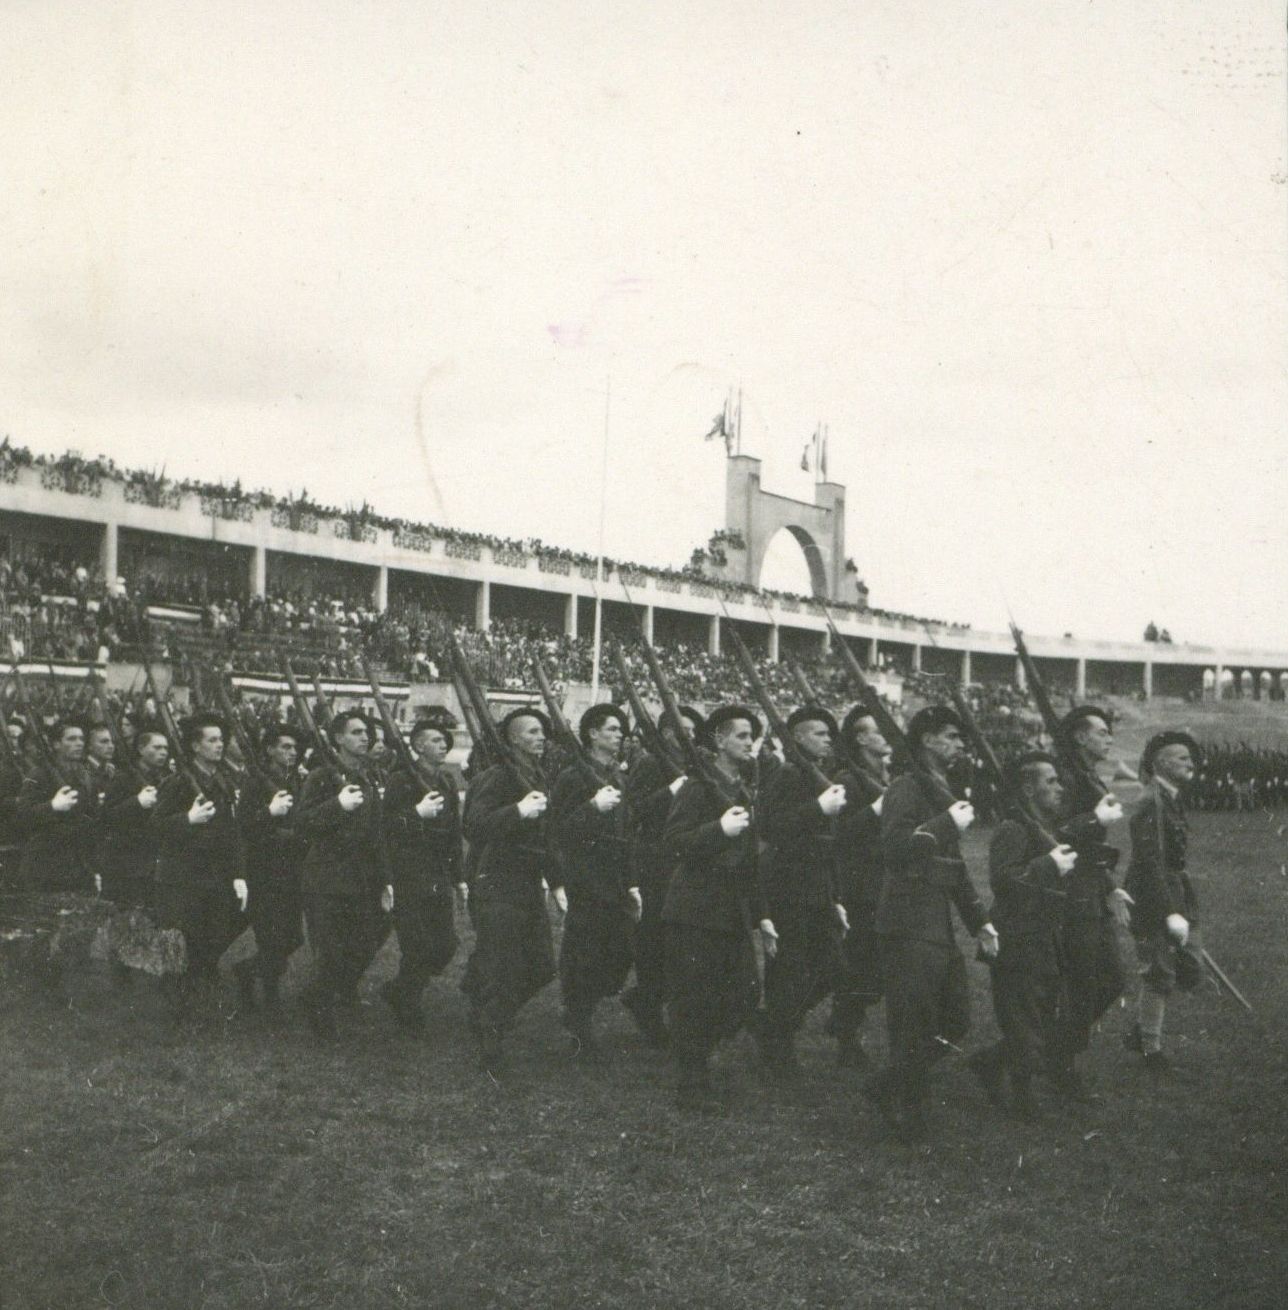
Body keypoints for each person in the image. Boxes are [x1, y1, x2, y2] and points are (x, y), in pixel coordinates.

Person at [865, 705, 998, 1143]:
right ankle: (910, 1110)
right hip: (906, 920)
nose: (960, 744)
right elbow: (893, 848)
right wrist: (945, 823)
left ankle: (888, 1087)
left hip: (933, 921)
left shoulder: (942, 786)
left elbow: (952, 863)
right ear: (926, 740)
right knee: (914, 1022)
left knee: (955, 1019)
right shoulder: (906, 786)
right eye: (951, 736)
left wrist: (978, 919)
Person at [662, 705, 778, 1112]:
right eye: (742, 735)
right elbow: (674, 842)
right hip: (695, 908)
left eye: (752, 737)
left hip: (731, 910)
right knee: (696, 999)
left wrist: (762, 914)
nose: (750, 743)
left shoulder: (741, 789)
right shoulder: (698, 786)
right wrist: (718, 830)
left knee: (744, 994)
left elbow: (750, 861)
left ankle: (706, 1063)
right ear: (719, 740)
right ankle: (691, 1083)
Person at [968, 752, 1077, 1119]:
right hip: (1018, 938)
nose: (1059, 788)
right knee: (1024, 1017)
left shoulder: (1043, 827)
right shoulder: (1014, 828)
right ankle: (1023, 1096)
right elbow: (1003, 879)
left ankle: (990, 1064)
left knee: (1042, 1014)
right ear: (1028, 789)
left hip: (1043, 935)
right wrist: (1048, 864)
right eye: (1051, 782)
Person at [755, 705, 850, 1076]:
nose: (827, 739)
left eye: (828, 734)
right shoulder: (787, 775)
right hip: (789, 884)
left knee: (833, 968)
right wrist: (816, 808)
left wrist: (835, 896)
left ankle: (775, 1024)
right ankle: (779, 1043)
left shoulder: (819, 774)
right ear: (796, 737)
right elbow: (769, 825)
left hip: (818, 885)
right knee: (789, 969)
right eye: (818, 733)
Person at [460, 707, 555, 1073]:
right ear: (513, 739)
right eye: (532, 732)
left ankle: (481, 999)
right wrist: (517, 811)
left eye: (542, 732)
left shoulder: (538, 776)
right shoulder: (497, 777)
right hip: (495, 880)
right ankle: (491, 1041)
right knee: (505, 968)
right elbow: (474, 826)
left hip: (527, 882)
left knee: (542, 967)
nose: (541, 737)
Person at [295, 711, 394, 1041]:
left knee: (364, 942)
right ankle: (321, 1014)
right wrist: (337, 805)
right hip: (326, 878)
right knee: (331, 951)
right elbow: (304, 823)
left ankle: (322, 994)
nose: (365, 738)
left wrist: (385, 879)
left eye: (367, 732)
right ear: (338, 739)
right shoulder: (321, 777)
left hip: (362, 879)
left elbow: (377, 834)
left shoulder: (369, 778)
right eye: (355, 732)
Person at [550, 703, 640, 1057]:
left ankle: (580, 1007)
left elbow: (629, 832)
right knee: (584, 953)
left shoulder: (619, 778)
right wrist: (591, 809)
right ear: (592, 734)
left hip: (615, 876)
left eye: (620, 730)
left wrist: (632, 881)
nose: (620, 736)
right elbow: (557, 830)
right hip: (585, 875)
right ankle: (578, 1018)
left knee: (619, 952)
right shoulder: (573, 777)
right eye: (613, 729)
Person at [1050, 706, 1128, 1099]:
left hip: (1093, 890)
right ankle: (1057, 1062)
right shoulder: (1063, 776)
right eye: (1101, 732)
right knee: (1084, 983)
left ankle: (1053, 1052)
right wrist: (1096, 820)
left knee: (1110, 979)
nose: (1108, 738)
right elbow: (1053, 834)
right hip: (1071, 895)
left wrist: (1111, 885)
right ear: (1080, 737)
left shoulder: (1085, 775)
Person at [153, 714, 248, 1017]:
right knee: (182, 942)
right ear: (195, 746)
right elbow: (154, 826)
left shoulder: (222, 780)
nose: (219, 745)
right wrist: (187, 820)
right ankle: (177, 1008)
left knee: (212, 939)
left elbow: (232, 832)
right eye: (212, 740)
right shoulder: (178, 781)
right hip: (181, 876)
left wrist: (238, 875)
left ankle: (198, 1001)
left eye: (221, 739)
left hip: (215, 875)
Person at [621, 705, 702, 1047]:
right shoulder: (651, 762)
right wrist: (672, 791)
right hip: (656, 863)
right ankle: (648, 1007)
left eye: (693, 729)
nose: (691, 735)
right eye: (684, 728)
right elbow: (633, 809)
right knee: (654, 943)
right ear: (667, 732)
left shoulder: (692, 762)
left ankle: (653, 1002)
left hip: (685, 860)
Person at [1124, 732, 1202, 1073]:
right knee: (1160, 974)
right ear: (1162, 764)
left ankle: (1141, 1031)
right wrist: (1169, 911)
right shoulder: (1151, 801)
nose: (1191, 763)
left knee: (1190, 967)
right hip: (1151, 896)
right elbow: (1150, 860)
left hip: (1173, 889)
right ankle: (1150, 1051)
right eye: (1182, 758)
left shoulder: (1169, 797)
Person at [380, 720, 464, 1033]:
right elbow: (387, 828)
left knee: (444, 945)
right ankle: (409, 1002)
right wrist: (416, 815)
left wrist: (458, 876)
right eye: (435, 740)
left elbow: (454, 832)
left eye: (445, 740)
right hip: (409, 872)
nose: (443, 744)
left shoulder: (446, 779)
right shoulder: (401, 780)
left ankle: (401, 988)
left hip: (437, 872)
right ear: (417, 747)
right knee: (416, 944)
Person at [826, 705, 892, 1069]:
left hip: (884, 882)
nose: (885, 735)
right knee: (861, 965)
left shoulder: (886, 774)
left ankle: (844, 1020)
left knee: (874, 970)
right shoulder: (849, 780)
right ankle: (847, 1036)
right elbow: (841, 833)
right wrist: (876, 811)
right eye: (876, 730)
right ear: (860, 738)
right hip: (859, 886)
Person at [236, 727, 307, 1013]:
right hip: (264, 869)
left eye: (294, 749)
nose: (291, 753)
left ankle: (248, 971)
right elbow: (244, 826)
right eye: (285, 747)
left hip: (291, 869)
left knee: (292, 938)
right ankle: (270, 994)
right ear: (269, 750)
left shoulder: (295, 781)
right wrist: (270, 817)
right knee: (273, 936)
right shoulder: (255, 783)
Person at [99, 729, 168, 910]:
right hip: (126, 863)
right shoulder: (123, 778)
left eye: (166, 748)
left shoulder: (163, 778)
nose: (163, 752)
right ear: (141, 749)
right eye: (157, 747)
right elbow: (107, 817)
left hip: (152, 862)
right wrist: (136, 803)